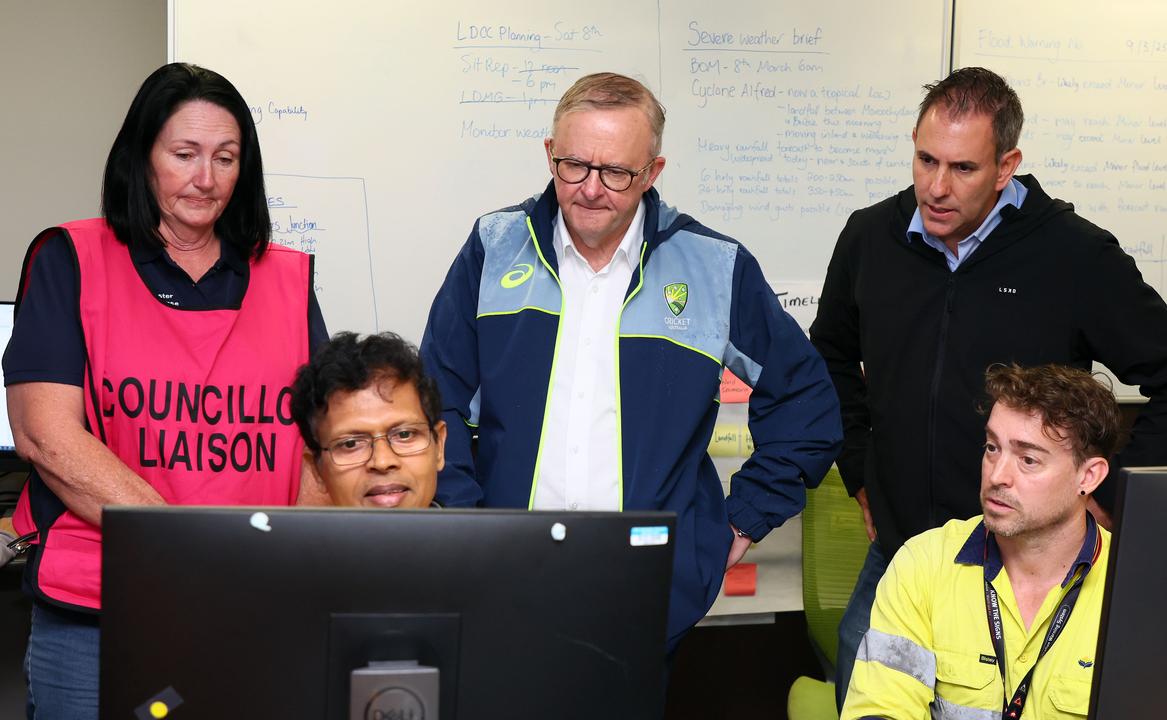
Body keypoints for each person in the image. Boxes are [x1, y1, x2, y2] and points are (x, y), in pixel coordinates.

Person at [809, 66, 1167, 708]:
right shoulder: (870, 238)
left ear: (1006, 166)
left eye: (963, 169)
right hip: (902, 562)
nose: (935, 188)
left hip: (1033, 573)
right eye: (924, 159)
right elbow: (828, 355)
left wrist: (1114, 492)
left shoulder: (1074, 255)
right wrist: (860, 467)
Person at [420, 72, 842, 647]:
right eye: (575, 165)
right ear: (550, 155)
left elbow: (806, 402)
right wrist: (464, 528)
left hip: (646, 588)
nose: (592, 189)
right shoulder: (493, 248)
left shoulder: (713, 267)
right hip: (503, 579)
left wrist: (739, 520)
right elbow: (434, 402)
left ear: (652, 173)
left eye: (617, 172)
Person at [2, 63, 327, 719]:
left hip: (247, 610)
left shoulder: (288, 279)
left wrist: (286, 570)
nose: (205, 179)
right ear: (142, 158)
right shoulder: (71, 259)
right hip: (97, 611)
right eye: (184, 154)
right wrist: (185, 551)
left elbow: (320, 444)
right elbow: (45, 434)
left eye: (225, 157)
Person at [842, 363, 1122, 719]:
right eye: (992, 448)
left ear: (1089, 475)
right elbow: (879, 709)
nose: (997, 475)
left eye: (1028, 459)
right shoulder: (923, 565)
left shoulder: (1134, 588)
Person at [291, 332, 445, 509]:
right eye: (351, 444)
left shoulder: (479, 537)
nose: (382, 462)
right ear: (317, 470)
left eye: (404, 434)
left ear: (439, 446)